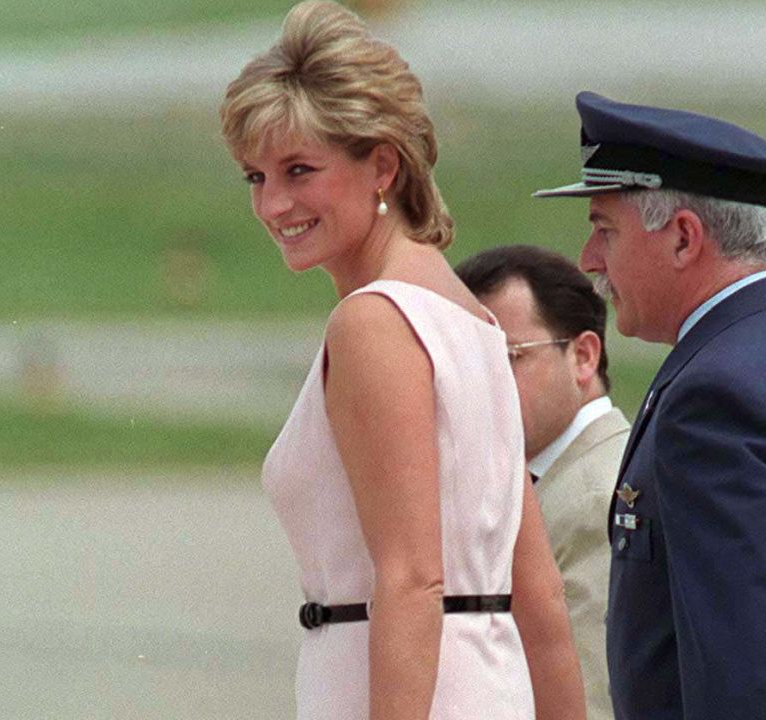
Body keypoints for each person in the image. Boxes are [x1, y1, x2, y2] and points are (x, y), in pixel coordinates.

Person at [219, 3, 585, 719]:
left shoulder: (375, 325)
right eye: (255, 177)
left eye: (300, 170)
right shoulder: (471, 319)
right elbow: (537, 596)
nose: (274, 204)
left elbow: (414, 579)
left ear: (382, 163)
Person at [533, 91, 766, 720]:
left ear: (683, 238)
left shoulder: (715, 398)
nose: (589, 261)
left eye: (604, 230)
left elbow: (741, 681)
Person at [456, 245, 629, 720]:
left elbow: (592, 701)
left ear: (583, 357)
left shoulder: (598, 500)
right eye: (464, 365)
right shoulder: (548, 480)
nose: (478, 386)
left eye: (504, 358)